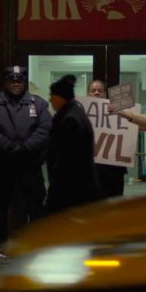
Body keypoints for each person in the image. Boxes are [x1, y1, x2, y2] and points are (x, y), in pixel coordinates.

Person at [0, 65, 51, 254]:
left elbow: (45, 129)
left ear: (25, 82)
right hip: (2, 167)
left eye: (20, 80)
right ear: (5, 82)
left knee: (35, 206)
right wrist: (9, 147)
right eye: (12, 80)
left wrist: (26, 147)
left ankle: (37, 242)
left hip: (30, 166)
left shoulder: (39, 104)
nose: (16, 83)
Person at [45, 75, 102, 213]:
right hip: (79, 184)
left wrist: (56, 183)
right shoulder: (75, 111)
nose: (50, 99)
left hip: (71, 186)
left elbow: (67, 158)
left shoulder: (69, 120)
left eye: (52, 95)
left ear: (60, 98)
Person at [87, 79, 127, 197]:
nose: (97, 93)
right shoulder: (79, 111)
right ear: (88, 94)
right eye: (93, 90)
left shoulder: (119, 111)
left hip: (114, 168)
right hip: (90, 168)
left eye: (100, 90)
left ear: (105, 94)